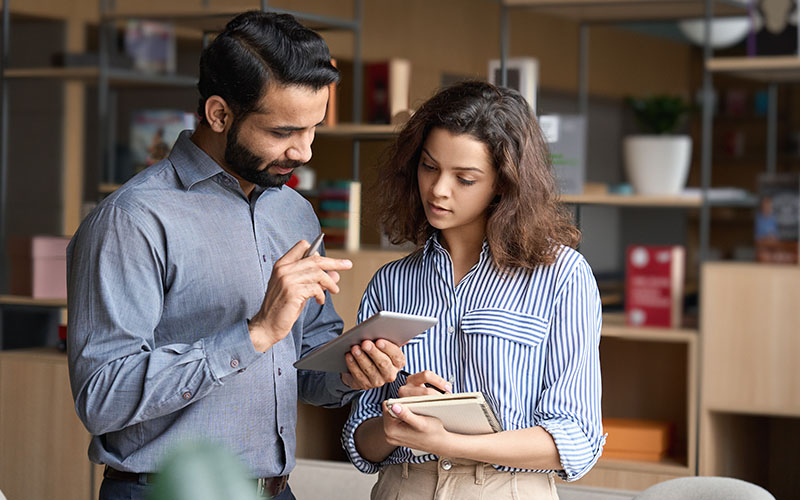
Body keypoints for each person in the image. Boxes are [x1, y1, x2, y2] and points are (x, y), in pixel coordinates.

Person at [67, 11, 405, 500]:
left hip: (275, 489)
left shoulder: (295, 213)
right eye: (284, 132)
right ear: (220, 114)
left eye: (312, 129)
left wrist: (353, 370)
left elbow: (307, 370)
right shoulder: (132, 220)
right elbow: (101, 397)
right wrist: (255, 334)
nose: (305, 152)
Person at [341, 81, 605, 499]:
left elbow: (574, 439)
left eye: (464, 178)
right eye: (429, 167)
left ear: (503, 183)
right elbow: (362, 443)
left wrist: (450, 444)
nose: (438, 189)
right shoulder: (390, 284)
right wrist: (394, 423)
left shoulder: (562, 277)